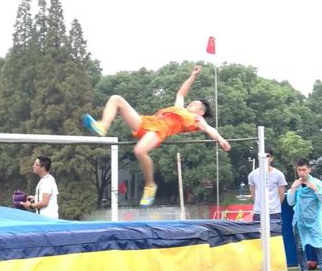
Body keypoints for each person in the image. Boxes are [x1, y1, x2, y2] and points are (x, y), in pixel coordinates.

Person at [82, 65, 231, 206]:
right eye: (192, 102)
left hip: (159, 130)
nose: (191, 103)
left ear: (201, 112)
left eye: (195, 104)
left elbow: (210, 129)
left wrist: (220, 139)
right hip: (147, 122)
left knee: (139, 151)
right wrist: (193, 75)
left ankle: (150, 185)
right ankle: (103, 126)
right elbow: (181, 93)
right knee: (116, 99)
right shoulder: (179, 108)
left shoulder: (197, 119)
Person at [287, 158, 322, 271]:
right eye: (299, 170)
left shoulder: (317, 183)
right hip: (299, 221)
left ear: (309, 169)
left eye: (304, 170)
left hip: (314, 221)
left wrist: (315, 189)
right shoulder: (297, 185)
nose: (302, 172)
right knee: (300, 248)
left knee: (319, 246)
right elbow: (290, 202)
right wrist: (292, 189)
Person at [248, 148, 287, 220]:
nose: (265, 159)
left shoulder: (279, 174)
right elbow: (253, 194)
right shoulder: (252, 175)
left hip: (274, 212)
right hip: (258, 212)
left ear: (271, 158)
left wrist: (274, 206)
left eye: (267, 156)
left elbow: (281, 195)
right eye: (262, 156)